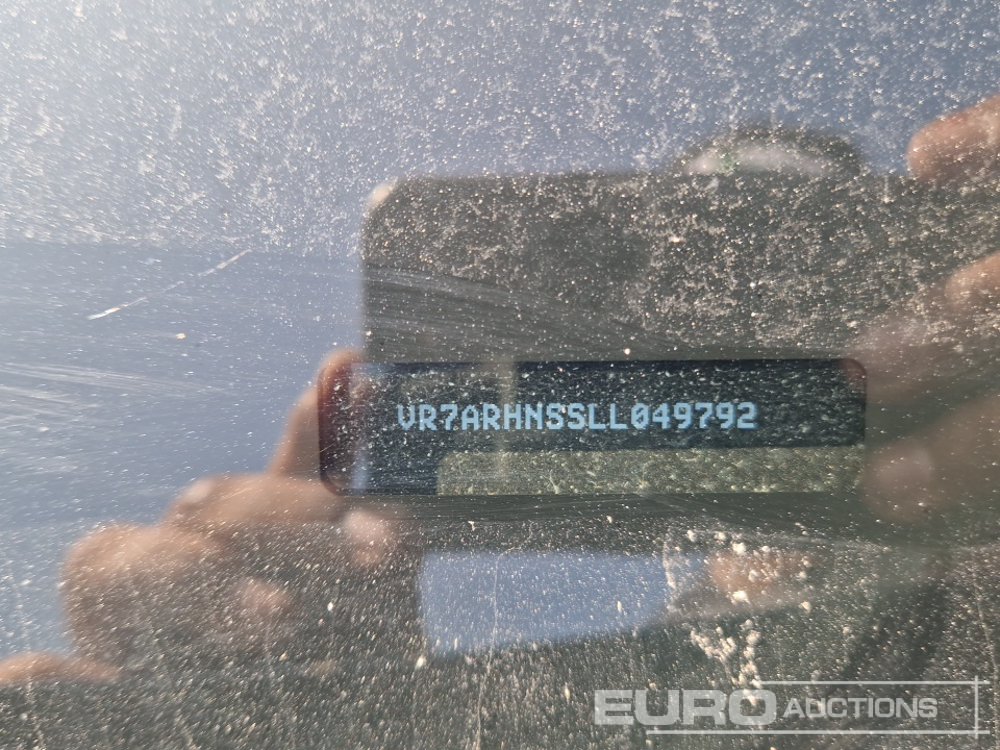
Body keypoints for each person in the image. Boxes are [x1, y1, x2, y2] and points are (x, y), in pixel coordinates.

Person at [0, 94, 997, 724]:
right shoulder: (631, 694)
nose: (752, 358)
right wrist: (328, 701)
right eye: (684, 324)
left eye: (811, 295)